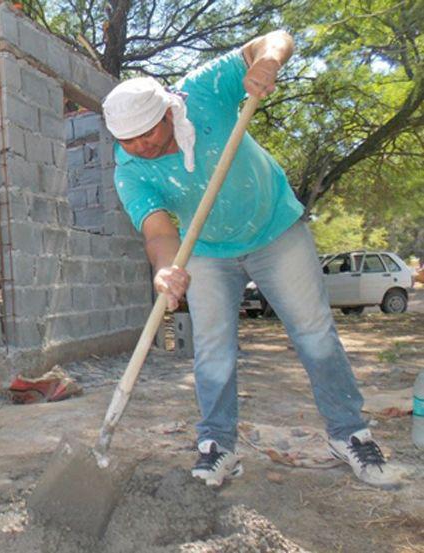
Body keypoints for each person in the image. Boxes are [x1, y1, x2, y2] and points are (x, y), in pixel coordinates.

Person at [101, 31, 400, 489]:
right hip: (205, 251)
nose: (139, 147)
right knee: (213, 350)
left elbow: (275, 39)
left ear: (168, 111)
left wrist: (268, 62)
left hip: (275, 231)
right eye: (128, 141)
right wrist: (165, 269)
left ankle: (349, 434)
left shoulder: (201, 91)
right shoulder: (130, 167)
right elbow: (158, 230)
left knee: (314, 332)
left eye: (147, 135)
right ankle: (218, 445)